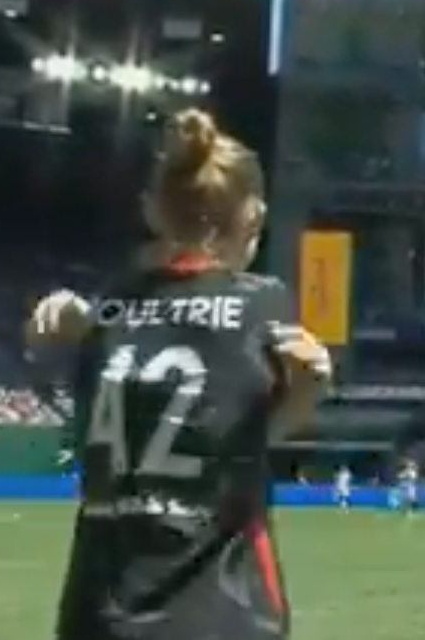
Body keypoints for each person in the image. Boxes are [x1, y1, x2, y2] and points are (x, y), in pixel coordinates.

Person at [26, 108, 333, 640]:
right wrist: (311, 389)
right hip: (219, 612)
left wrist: (82, 321)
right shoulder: (261, 305)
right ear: (253, 218)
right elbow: (250, 440)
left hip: (97, 615)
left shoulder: (108, 311)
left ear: (152, 210)